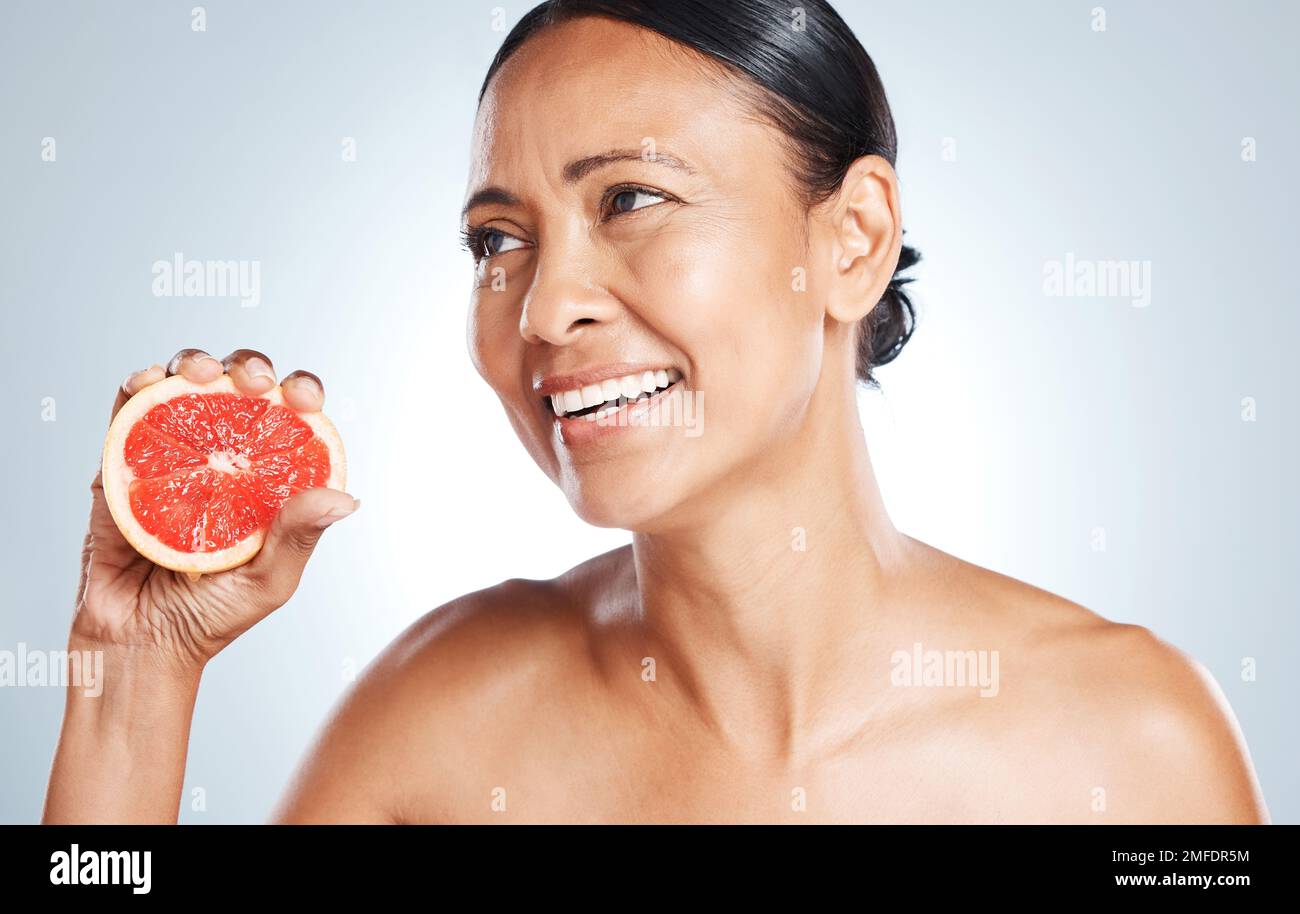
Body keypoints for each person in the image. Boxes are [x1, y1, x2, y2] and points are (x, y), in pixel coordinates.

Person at [44, 0, 1268, 824]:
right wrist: (131, 680)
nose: (543, 306)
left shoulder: (1133, 749)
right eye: (497, 238)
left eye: (630, 197)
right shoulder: (439, 728)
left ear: (851, 241)